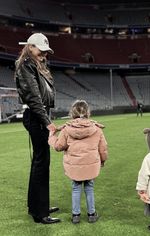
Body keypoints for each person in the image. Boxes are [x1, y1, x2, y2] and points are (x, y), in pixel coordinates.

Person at [15, 33, 60, 224]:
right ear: (31, 47)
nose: (44, 55)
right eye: (41, 51)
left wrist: (45, 118)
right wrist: (46, 121)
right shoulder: (27, 65)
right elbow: (34, 97)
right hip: (36, 117)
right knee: (41, 163)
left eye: (46, 52)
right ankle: (40, 213)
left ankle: (38, 205)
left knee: (40, 162)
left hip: (39, 116)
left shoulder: (35, 64)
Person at [48, 100, 108, 224]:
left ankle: (76, 215)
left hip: (74, 166)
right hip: (91, 165)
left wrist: (51, 137)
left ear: (72, 112)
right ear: (88, 112)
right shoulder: (96, 129)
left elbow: (58, 146)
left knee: (76, 188)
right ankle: (91, 214)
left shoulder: (66, 129)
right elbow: (103, 148)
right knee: (89, 187)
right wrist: (103, 160)